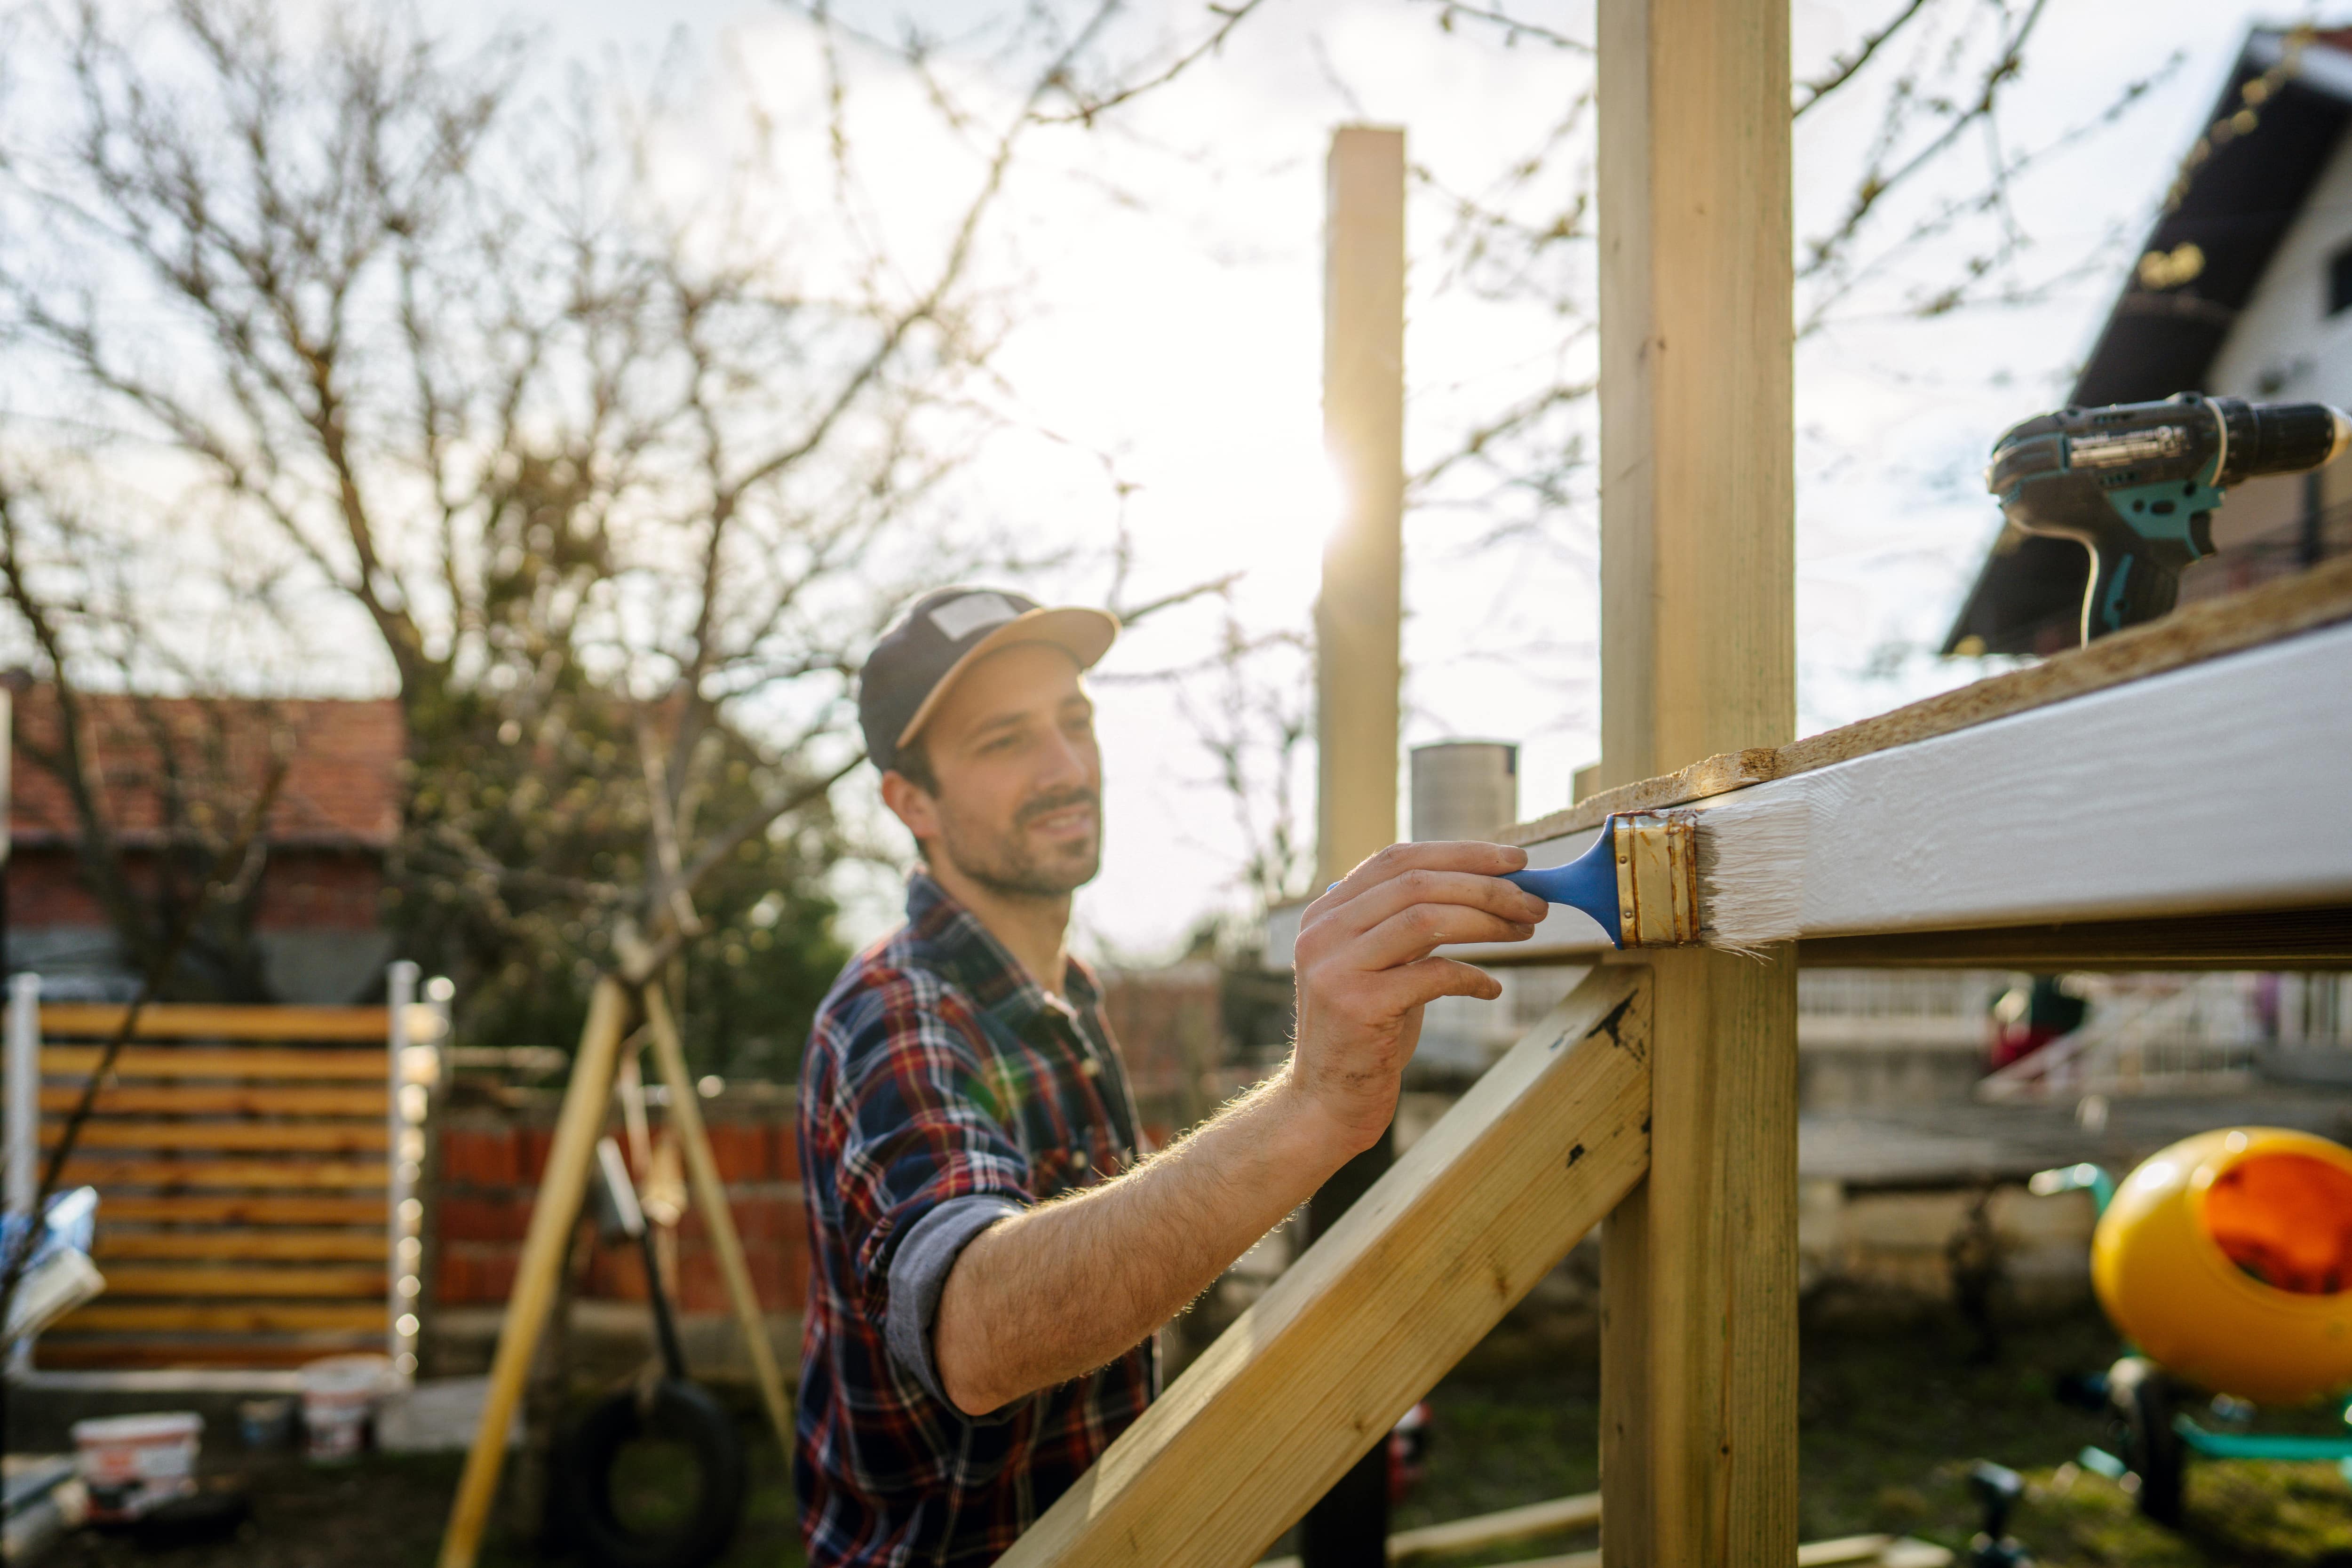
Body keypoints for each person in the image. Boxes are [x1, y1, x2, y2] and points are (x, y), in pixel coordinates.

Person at [794, 587, 1546, 1566]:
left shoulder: (1066, 995)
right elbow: (976, 1332)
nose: (1066, 768)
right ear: (912, 801)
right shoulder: (894, 1015)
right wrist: (1310, 1105)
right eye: (1005, 740)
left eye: (1074, 722)